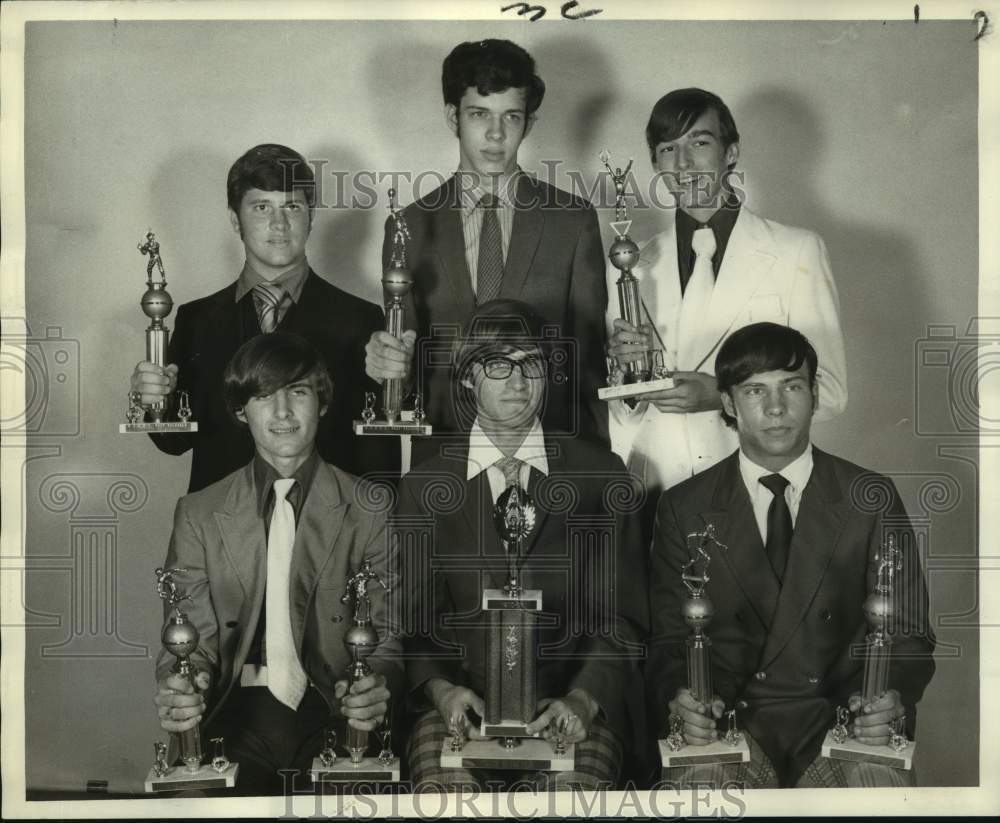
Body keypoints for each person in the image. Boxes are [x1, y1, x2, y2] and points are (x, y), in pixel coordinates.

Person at [645, 322, 934, 788]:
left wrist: (889, 698)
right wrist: (682, 698)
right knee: (698, 793)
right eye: (755, 390)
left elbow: (908, 632)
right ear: (727, 403)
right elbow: (668, 640)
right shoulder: (685, 506)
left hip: (844, 722)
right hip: (730, 725)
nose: (776, 408)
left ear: (815, 395)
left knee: (878, 795)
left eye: (791, 387)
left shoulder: (870, 497)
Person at [395, 299, 647, 791]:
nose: (517, 380)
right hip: (458, 711)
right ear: (467, 376)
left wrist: (584, 699)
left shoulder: (599, 474)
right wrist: (443, 692)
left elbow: (624, 618)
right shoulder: (425, 486)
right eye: (497, 363)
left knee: (570, 804)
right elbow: (412, 622)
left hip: (568, 707)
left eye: (531, 363)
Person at [152, 332, 401, 793]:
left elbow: (387, 637)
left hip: (333, 709)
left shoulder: (370, 506)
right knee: (193, 799)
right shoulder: (199, 513)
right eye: (264, 396)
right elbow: (189, 639)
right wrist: (183, 685)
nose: (283, 413)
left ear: (322, 403)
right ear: (241, 411)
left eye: (299, 392)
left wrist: (374, 685)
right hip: (232, 711)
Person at [606, 88, 847, 538]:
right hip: (651, 498)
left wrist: (720, 396)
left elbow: (829, 391)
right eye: (668, 149)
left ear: (730, 152)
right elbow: (623, 411)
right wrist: (627, 380)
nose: (684, 164)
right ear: (656, 164)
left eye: (699, 143)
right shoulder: (630, 263)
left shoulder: (797, 250)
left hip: (754, 495)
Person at [364, 39, 609, 459]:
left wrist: (596, 468)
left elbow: (589, 364)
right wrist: (389, 370)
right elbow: (406, 362)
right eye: (479, 114)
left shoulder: (573, 220)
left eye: (511, 117)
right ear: (452, 117)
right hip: (448, 458)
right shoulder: (407, 227)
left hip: (552, 454)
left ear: (528, 123)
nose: (496, 134)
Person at [131, 143, 398, 493]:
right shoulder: (196, 320)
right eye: (261, 207)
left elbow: (380, 454)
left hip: (327, 532)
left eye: (292, 206)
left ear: (311, 216)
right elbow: (173, 442)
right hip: (223, 532)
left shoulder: (360, 320)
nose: (279, 223)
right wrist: (151, 400)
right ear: (234, 219)